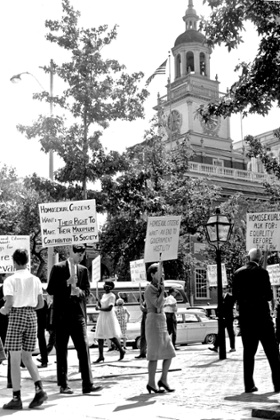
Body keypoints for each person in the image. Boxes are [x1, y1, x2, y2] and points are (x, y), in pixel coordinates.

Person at [47, 244, 103, 395]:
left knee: (83, 348)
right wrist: (67, 282)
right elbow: (51, 289)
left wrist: (81, 292)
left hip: (78, 313)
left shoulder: (83, 270)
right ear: (71, 253)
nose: (81, 258)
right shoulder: (58, 268)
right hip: (62, 314)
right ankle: (63, 384)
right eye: (79, 255)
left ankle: (88, 384)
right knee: (62, 350)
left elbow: (87, 290)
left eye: (82, 255)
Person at [0, 248, 48, 409]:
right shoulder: (35, 279)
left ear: (14, 262)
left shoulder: (10, 280)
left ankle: (16, 397)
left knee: (14, 359)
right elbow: (41, 304)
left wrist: (3, 310)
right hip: (32, 317)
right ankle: (39, 388)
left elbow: (9, 303)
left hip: (17, 316)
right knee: (27, 357)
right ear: (27, 262)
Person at [232, 248, 280, 393]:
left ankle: (249, 384)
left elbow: (235, 295)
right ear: (259, 259)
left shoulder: (238, 273)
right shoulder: (263, 273)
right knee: (272, 352)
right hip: (262, 318)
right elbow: (267, 296)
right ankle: (278, 383)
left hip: (246, 319)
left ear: (249, 257)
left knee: (248, 353)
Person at [144, 263, 176, 394]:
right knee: (154, 354)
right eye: (159, 272)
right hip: (153, 320)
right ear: (152, 274)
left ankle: (163, 379)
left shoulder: (158, 288)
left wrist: (162, 291)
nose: (162, 274)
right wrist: (162, 291)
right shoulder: (149, 289)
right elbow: (157, 304)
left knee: (169, 352)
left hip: (161, 319)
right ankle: (151, 382)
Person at [94, 281, 125, 363]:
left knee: (111, 335)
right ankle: (101, 356)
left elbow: (109, 308)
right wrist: (98, 303)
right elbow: (102, 306)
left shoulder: (112, 296)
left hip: (108, 316)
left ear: (111, 287)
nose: (105, 287)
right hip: (102, 316)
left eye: (107, 286)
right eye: (105, 285)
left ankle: (121, 350)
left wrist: (99, 309)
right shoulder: (103, 295)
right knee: (100, 336)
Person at [209, 285, 236, 353]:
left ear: (227, 289)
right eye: (222, 288)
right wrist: (218, 314)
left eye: (224, 288)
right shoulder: (220, 297)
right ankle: (216, 346)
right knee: (220, 332)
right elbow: (219, 307)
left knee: (230, 332)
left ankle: (232, 347)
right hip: (222, 317)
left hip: (228, 317)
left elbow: (230, 305)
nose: (223, 290)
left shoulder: (230, 297)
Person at [36, 294, 49, 368]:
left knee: (41, 339)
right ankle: (44, 360)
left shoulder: (38, 300)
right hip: (41, 323)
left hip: (39, 322)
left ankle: (44, 360)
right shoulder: (43, 300)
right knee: (41, 339)